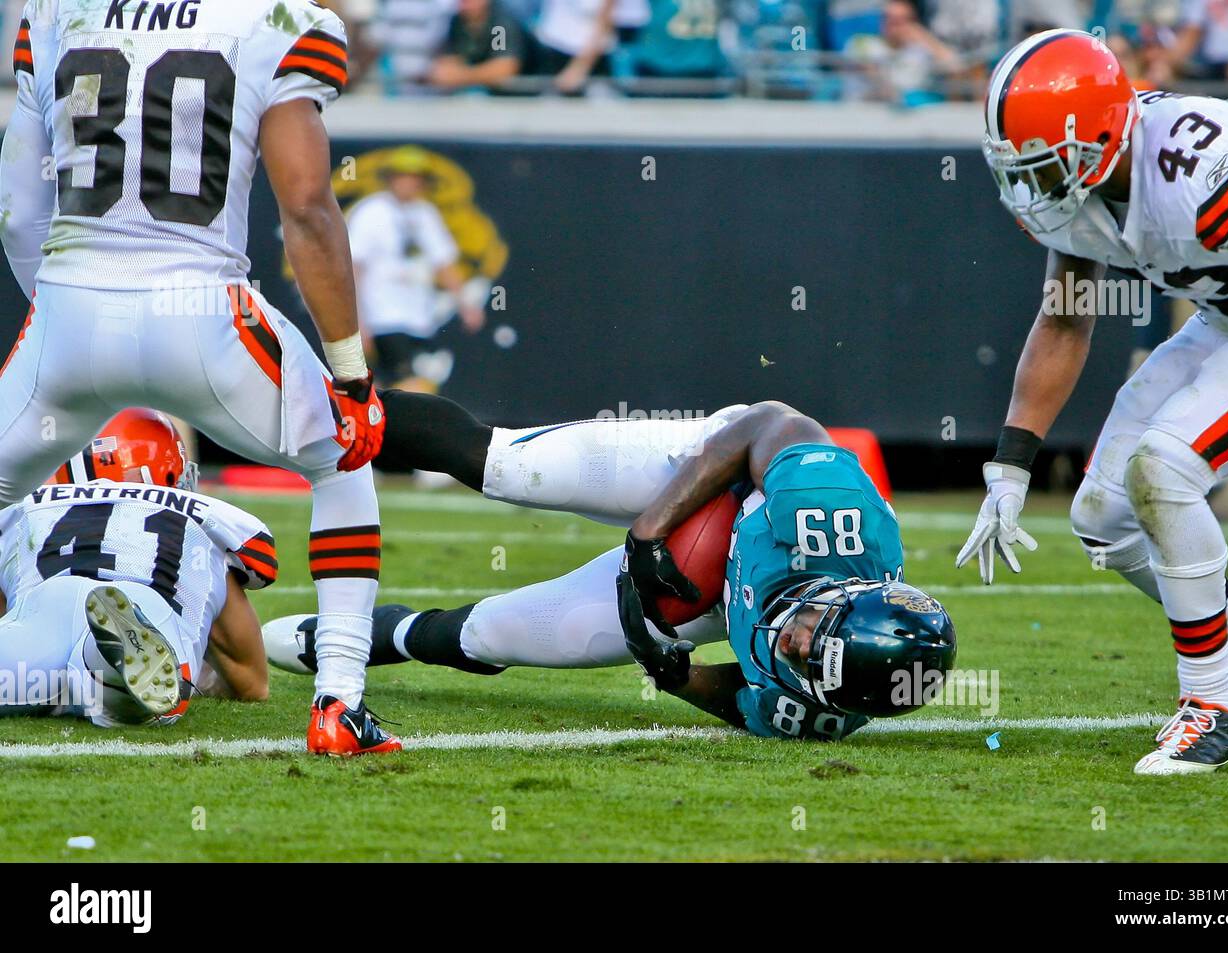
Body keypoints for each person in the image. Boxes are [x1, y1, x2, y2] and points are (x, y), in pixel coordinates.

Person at [0, 0, 395, 755]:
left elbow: (18, 211)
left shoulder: (55, 14)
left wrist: (57, 306)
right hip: (203, 312)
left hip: (69, 307)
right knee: (343, 461)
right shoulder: (280, 21)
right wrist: (351, 373)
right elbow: (307, 208)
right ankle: (339, 704)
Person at [961, 29, 1228, 774]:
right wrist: (1011, 468)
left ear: (1103, 137)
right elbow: (1065, 315)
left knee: (1164, 467)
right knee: (1103, 514)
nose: (1033, 185)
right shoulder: (1080, 192)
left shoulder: (1197, 162)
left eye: (1045, 164)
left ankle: (1216, 704)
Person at [268, 396, 957, 739]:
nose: (790, 643)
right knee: (508, 466)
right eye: (813, 629)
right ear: (847, 592)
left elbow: (746, 702)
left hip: (711, 593)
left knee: (495, 635)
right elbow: (767, 423)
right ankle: (327, 406)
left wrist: (677, 672)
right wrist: (653, 525)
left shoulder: (824, 709)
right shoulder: (831, 515)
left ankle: (380, 636)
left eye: (806, 659)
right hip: (714, 479)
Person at [0, 410, 270, 726]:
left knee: (23, 661)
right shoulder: (205, 520)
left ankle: (96, 659)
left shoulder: (28, 508)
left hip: (45, 607)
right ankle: (107, 658)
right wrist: (204, 673)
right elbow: (251, 682)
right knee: (118, 690)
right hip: (146, 603)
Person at [348, 147, 486, 390]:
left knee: (401, 385)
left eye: (418, 178)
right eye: (406, 176)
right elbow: (354, 269)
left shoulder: (425, 214)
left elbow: (444, 263)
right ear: (391, 178)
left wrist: (466, 305)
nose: (413, 183)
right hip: (383, 316)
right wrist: (358, 321)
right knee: (409, 384)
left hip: (420, 318)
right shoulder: (371, 212)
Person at [429, 0, 528, 91]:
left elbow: (503, 68)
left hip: (529, 94)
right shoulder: (457, 21)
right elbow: (448, 62)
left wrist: (463, 75)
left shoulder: (500, 22)